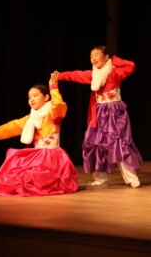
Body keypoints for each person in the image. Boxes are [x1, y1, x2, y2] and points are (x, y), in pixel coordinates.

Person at [56, 45, 143, 188]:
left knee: (118, 144)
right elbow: (75, 75)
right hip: (98, 113)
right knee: (93, 144)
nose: (93, 58)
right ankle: (100, 178)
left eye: (96, 54)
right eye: (91, 56)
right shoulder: (93, 75)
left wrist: (113, 60)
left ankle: (131, 178)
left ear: (106, 57)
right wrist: (59, 76)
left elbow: (130, 66)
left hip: (115, 112)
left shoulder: (114, 73)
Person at [0, 71, 79, 197]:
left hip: (51, 157)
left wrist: (53, 87)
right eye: (29, 97)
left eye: (35, 95)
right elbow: (12, 126)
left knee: (37, 178)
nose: (31, 99)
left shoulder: (52, 115)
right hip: (38, 156)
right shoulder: (30, 118)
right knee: (18, 171)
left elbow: (59, 105)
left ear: (46, 97)